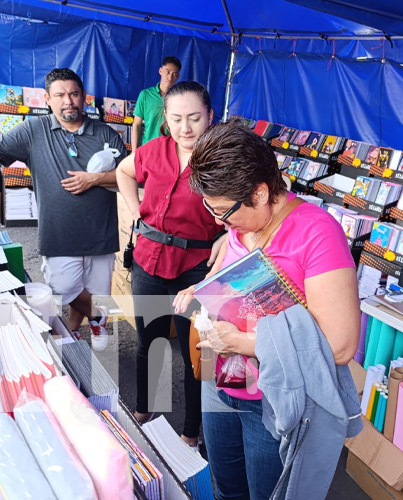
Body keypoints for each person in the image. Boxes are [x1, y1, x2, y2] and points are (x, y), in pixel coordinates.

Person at [173, 120, 361, 499]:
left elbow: (340, 344)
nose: (217, 220)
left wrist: (242, 342)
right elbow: (235, 271)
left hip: (273, 399)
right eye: (211, 208)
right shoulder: (240, 223)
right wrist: (205, 288)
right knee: (226, 488)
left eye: (224, 211)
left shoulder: (317, 233)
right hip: (222, 381)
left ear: (260, 192)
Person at [0, 68, 127, 344]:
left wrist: (95, 179)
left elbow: (128, 174)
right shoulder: (35, 130)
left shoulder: (106, 134)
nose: (67, 101)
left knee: (93, 289)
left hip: (101, 234)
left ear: (84, 97)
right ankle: (98, 317)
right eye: (60, 95)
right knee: (64, 287)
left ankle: (76, 330)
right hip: (59, 234)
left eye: (73, 93)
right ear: (47, 99)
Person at [116, 81, 225, 449]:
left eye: (195, 118)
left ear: (211, 116)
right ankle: (146, 408)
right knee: (151, 342)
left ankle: (191, 432)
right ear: (165, 119)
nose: (186, 128)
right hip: (148, 262)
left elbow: (258, 205)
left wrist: (228, 236)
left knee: (198, 355)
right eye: (177, 119)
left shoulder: (223, 157)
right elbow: (123, 171)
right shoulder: (155, 149)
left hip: (196, 270)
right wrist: (135, 211)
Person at [131, 56, 181, 148]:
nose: (170, 77)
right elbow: (136, 124)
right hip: (148, 147)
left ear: (178, 77)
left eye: (174, 74)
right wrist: (134, 151)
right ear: (160, 71)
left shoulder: (178, 98)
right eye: (167, 72)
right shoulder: (145, 95)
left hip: (170, 150)